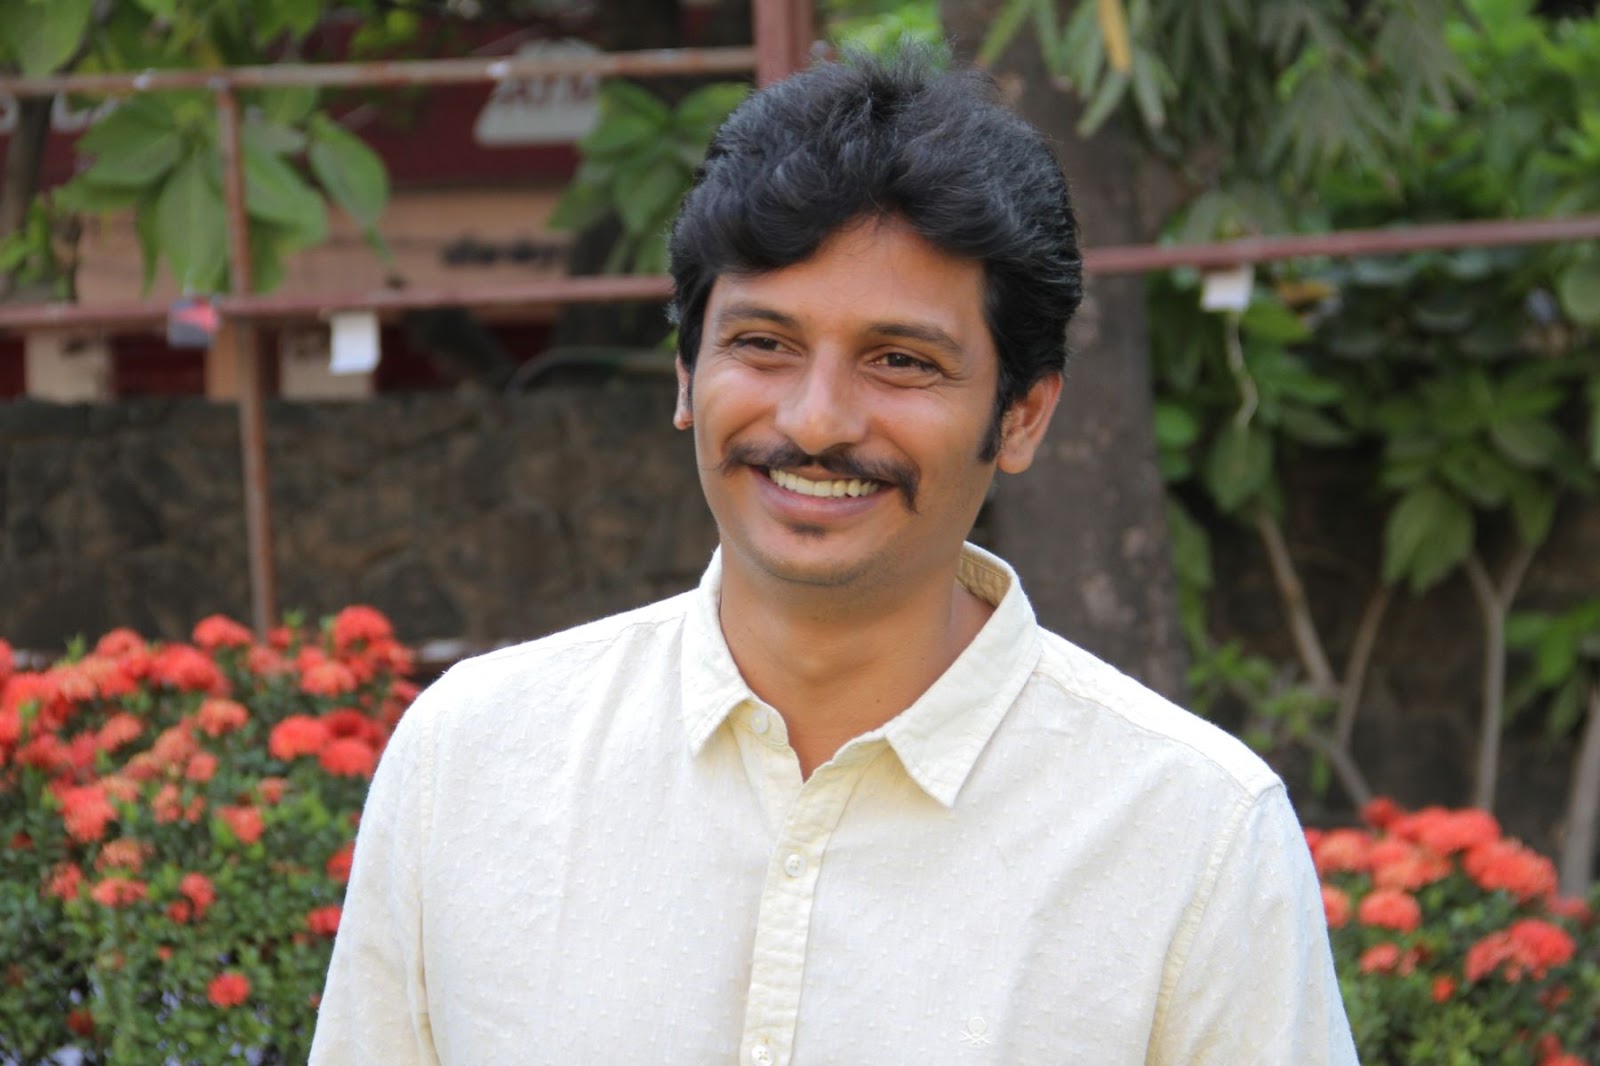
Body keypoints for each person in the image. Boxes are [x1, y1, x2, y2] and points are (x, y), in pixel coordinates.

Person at [309, 48, 1357, 1065]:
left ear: (1023, 415)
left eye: (900, 360)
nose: (815, 421)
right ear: (685, 376)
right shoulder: (473, 760)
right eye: (762, 344)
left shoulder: (1192, 837)